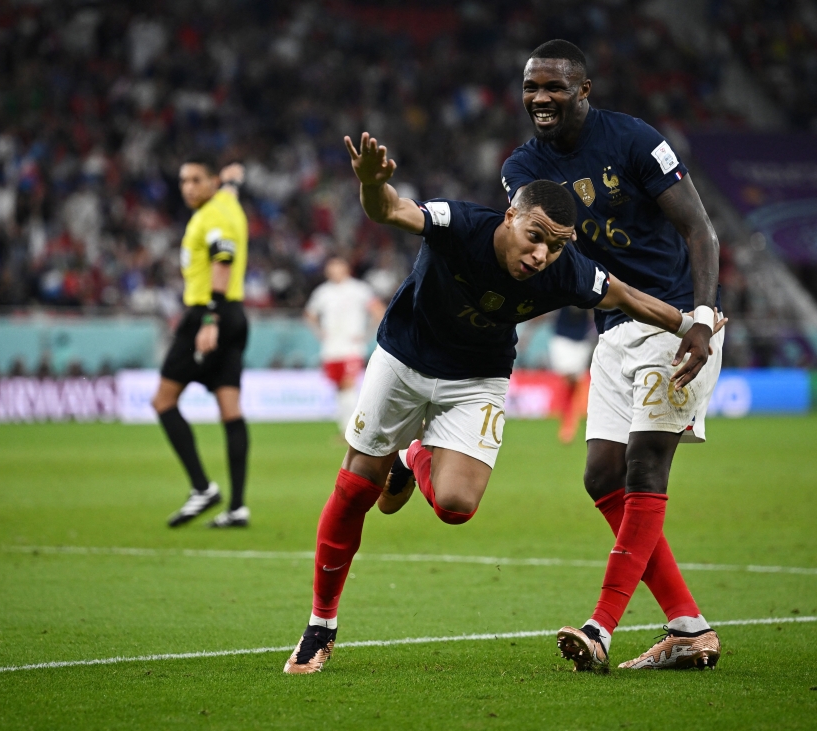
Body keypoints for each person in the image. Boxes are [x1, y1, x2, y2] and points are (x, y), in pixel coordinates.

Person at [282, 132, 723, 674]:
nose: (541, 255)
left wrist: (693, 324)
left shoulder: (565, 269)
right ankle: (320, 627)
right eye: (535, 237)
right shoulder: (459, 224)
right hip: (403, 360)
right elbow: (392, 210)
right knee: (357, 489)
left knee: (456, 506)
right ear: (510, 216)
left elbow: (625, 296)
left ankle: (412, 456)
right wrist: (373, 185)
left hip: (478, 378)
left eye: (556, 246)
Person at [501, 39, 726, 672]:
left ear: (583, 90)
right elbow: (541, 252)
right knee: (602, 476)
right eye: (531, 87)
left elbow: (700, 231)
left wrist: (700, 318)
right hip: (612, 329)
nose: (540, 98)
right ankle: (689, 627)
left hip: (673, 322)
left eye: (554, 86)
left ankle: (600, 628)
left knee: (645, 464)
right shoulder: (522, 168)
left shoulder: (634, 141)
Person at [151, 154, 251, 529]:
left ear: (211, 183)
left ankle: (202, 488)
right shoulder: (228, 202)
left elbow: (223, 259)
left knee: (163, 401)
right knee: (230, 409)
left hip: (207, 314)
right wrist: (233, 180)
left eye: (196, 180)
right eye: (183, 181)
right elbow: (232, 186)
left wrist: (209, 318)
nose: (188, 188)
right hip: (236, 314)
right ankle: (237, 507)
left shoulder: (212, 216)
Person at [303, 257, 385, 433]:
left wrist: (367, 334)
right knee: (339, 388)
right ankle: (345, 428)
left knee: (349, 385)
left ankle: (353, 430)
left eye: (338, 268)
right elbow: (309, 314)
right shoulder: (323, 292)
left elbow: (378, 311)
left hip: (351, 347)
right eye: (331, 269)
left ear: (346, 269)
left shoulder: (359, 289)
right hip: (331, 348)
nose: (335, 272)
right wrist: (320, 332)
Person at [549, 307, 595, 443]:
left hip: (581, 340)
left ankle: (570, 422)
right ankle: (567, 422)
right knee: (568, 379)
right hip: (562, 338)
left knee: (576, 382)